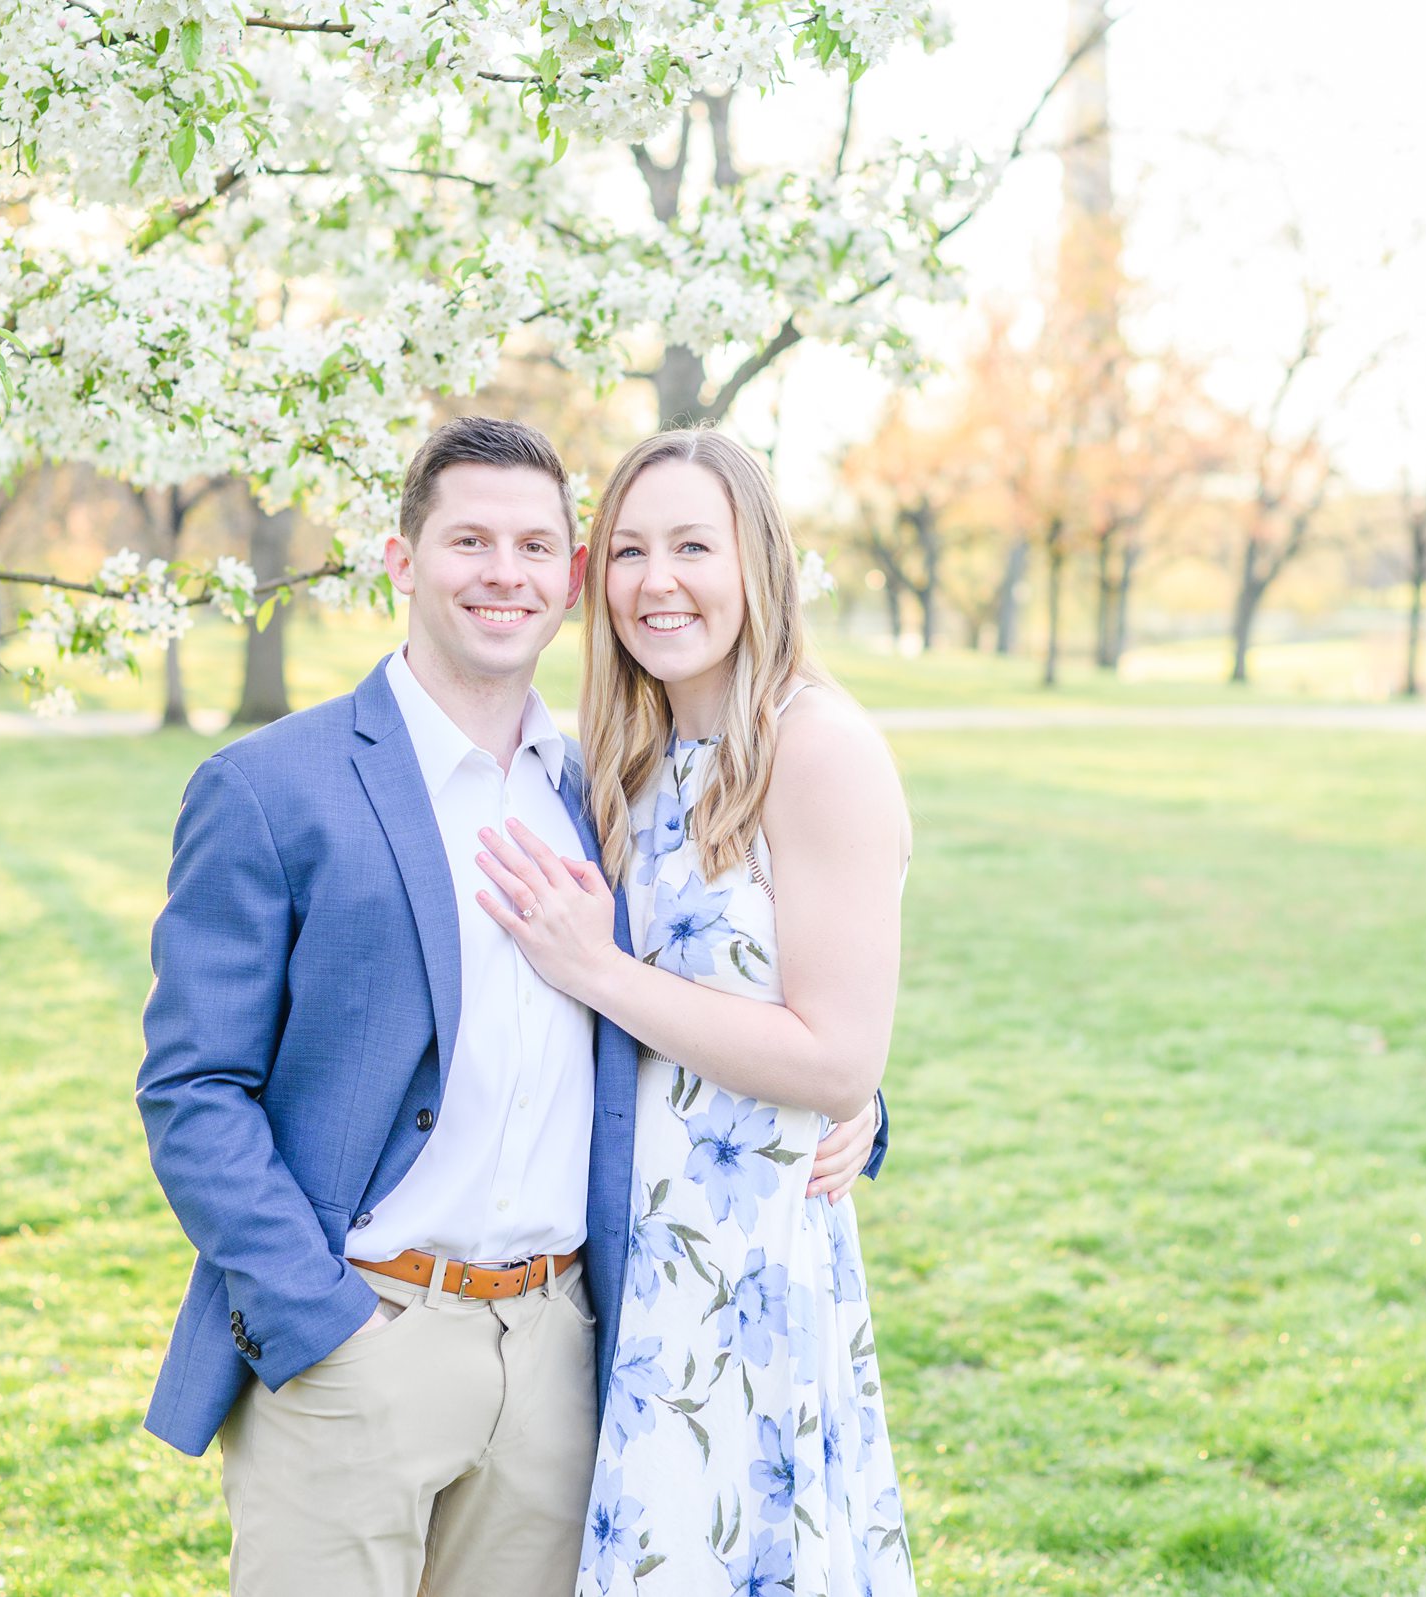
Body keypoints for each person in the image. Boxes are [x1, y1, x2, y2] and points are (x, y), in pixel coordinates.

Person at [134, 416, 886, 1596]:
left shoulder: (600, 787)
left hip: (566, 1351)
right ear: (400, 560)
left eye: (538, 545)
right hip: (362, 1334)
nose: (504, 572)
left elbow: (727, 981)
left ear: (566, 579)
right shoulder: (273, 789)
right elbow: (193, 1088)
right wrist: (325, 1324)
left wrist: (854, 1102)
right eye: (469, 540)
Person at [470, 429, 916, 1596]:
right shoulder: (631, 754)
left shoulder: (814, 746)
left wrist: (602, 971)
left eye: (691, 547)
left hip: (747, 1271)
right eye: (627, 549)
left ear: (757, 563)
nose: (656, 580)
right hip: (628, 1265)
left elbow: (834, 1052)